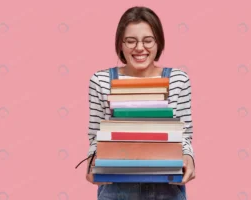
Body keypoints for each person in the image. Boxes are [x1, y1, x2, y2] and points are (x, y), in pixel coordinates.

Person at [79, 6, 196, 200]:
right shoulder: (100, 81)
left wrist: (188, 158)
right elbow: (95, 137)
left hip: (167, 188)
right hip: (116, 188)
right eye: (131, 41)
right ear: (121, 44)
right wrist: (92, 162)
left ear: (158, 42)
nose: (140, 48)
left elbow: (184, 137)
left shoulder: (178, 79)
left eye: (148, 40)